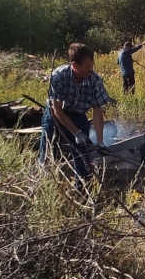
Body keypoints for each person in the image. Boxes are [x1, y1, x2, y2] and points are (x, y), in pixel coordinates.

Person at [39, 43, 110, 181]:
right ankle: (43, 182)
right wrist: (76, 132)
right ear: (74, 66)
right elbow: (57, 109)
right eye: (87, 67)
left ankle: (82, 192)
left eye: (92, 65)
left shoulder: (95, 80)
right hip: (54, 116)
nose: (91, 70)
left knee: (83, 159)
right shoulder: (59, 76)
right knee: (47, 152)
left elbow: (97, 112)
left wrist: (100, 142)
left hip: (78, 116)